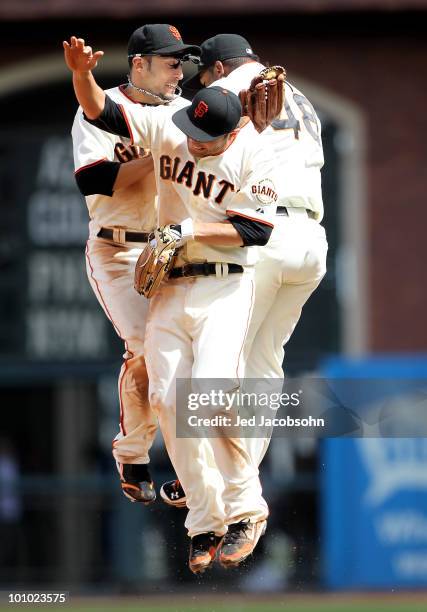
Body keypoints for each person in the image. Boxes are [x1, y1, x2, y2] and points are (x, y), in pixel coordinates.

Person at [63, 34, 281, 573]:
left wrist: (185, 229)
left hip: (223, 286)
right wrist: (80, 75)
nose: (190, 140)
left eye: (204, 134)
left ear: (230, 132)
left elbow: (254, 230)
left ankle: (246, 509)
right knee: (168, 399)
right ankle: (204, 523)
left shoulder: (255, 150)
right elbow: (102, 111)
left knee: (207, 396)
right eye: (188, 127)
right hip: (165, 284)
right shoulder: (176, 128)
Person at [161, 34, 328, 503]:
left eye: (203, 77)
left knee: (216, 362)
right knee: (263, 366)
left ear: (216, 68)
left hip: (263, 235)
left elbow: (193, 151)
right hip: (311, 239)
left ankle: (205, 478)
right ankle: (240, 478)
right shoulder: (301, 97)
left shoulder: (227, 90)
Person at [71, 25, 200, 504]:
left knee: (184, 358)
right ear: (140, 63)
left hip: (173, 248)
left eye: (181, 62)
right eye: (170, 62)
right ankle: (133, 452)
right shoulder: (99, 107)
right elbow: (96, 180)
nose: (178, 72)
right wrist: (163, 153)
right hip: (118, 248)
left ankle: (189, 469)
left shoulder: (186, 113)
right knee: (145, 346)